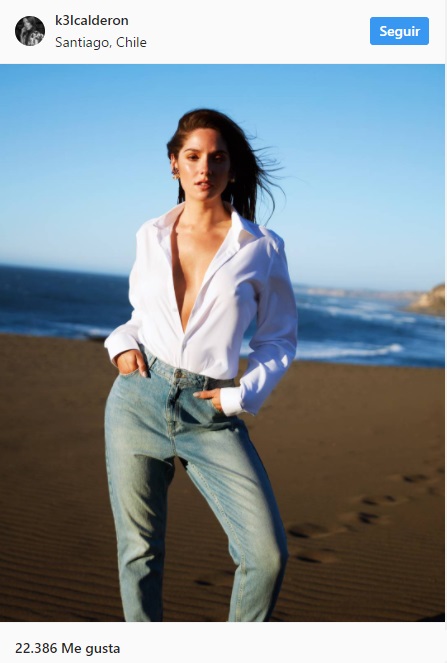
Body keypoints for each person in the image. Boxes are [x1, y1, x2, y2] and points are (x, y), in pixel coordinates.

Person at [104, 108, 298, 622]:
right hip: (138, 399)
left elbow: (278, 338)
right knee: (139, 552)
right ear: (174, 164)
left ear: (232, 167)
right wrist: (120, 344)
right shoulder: (150, 233)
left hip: (211, 411)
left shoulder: (261, 248)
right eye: (193, 157)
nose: (204, 168)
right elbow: (141, 316)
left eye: (217, 158)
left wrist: (241, 395)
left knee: (266, 556)